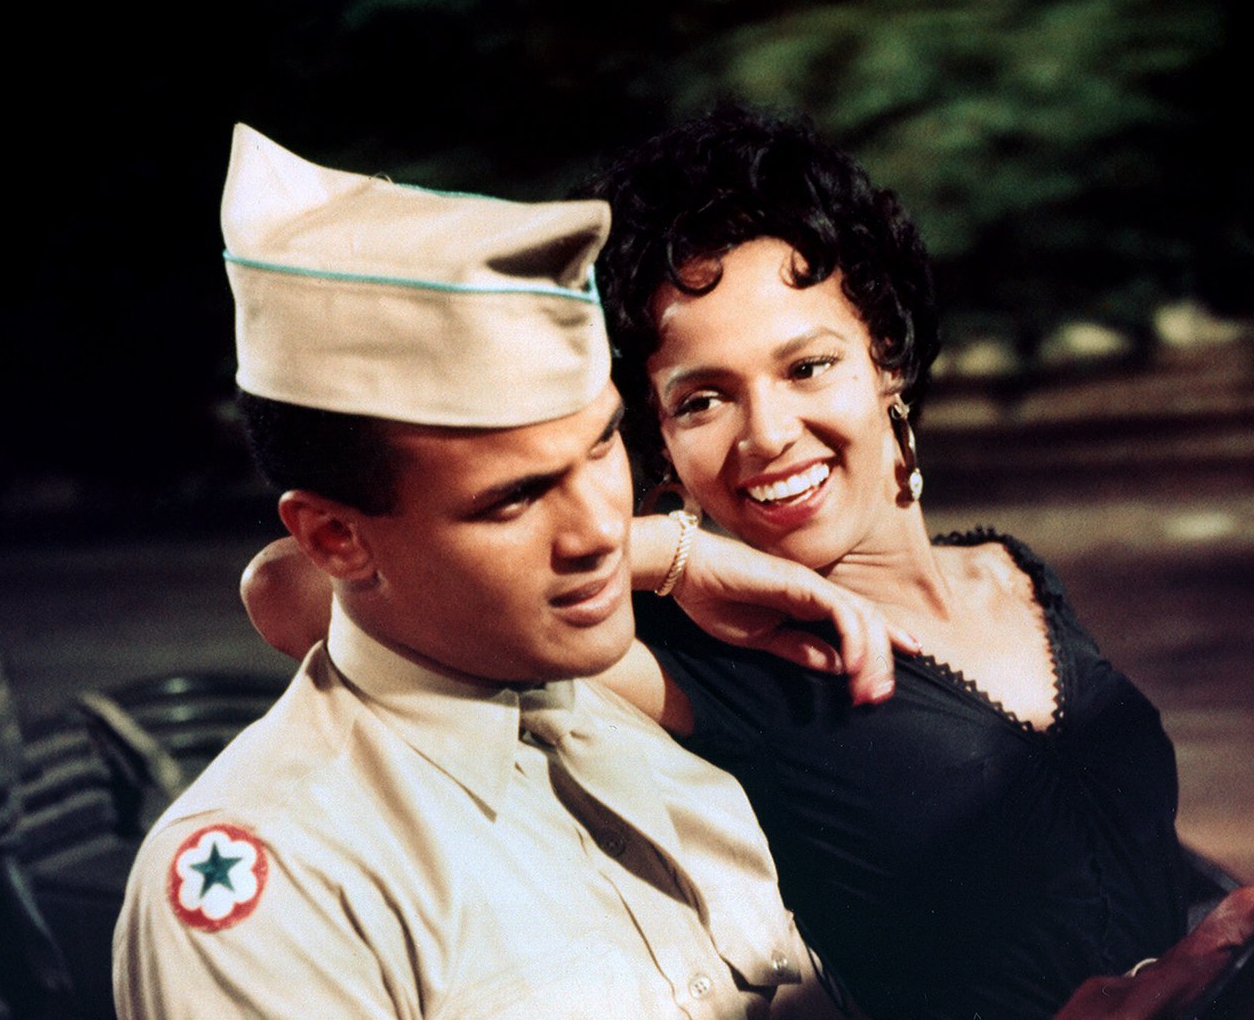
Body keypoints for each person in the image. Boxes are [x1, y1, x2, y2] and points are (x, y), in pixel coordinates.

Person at [243, 108, 1254, 1020]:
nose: (767, 434)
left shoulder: (1010, 574)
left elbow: (1106, 841)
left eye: (808, 365)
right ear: (655, 438)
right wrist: (678, 552)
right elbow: (294, 593)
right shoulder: (688, 657)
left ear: (887, 361)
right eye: (700, 399)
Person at [115, 121, 925, 1019]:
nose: (600, 529)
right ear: (338, 538)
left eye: (603, 444)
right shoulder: (288, 886)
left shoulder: (640, 745)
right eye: (513, 499)